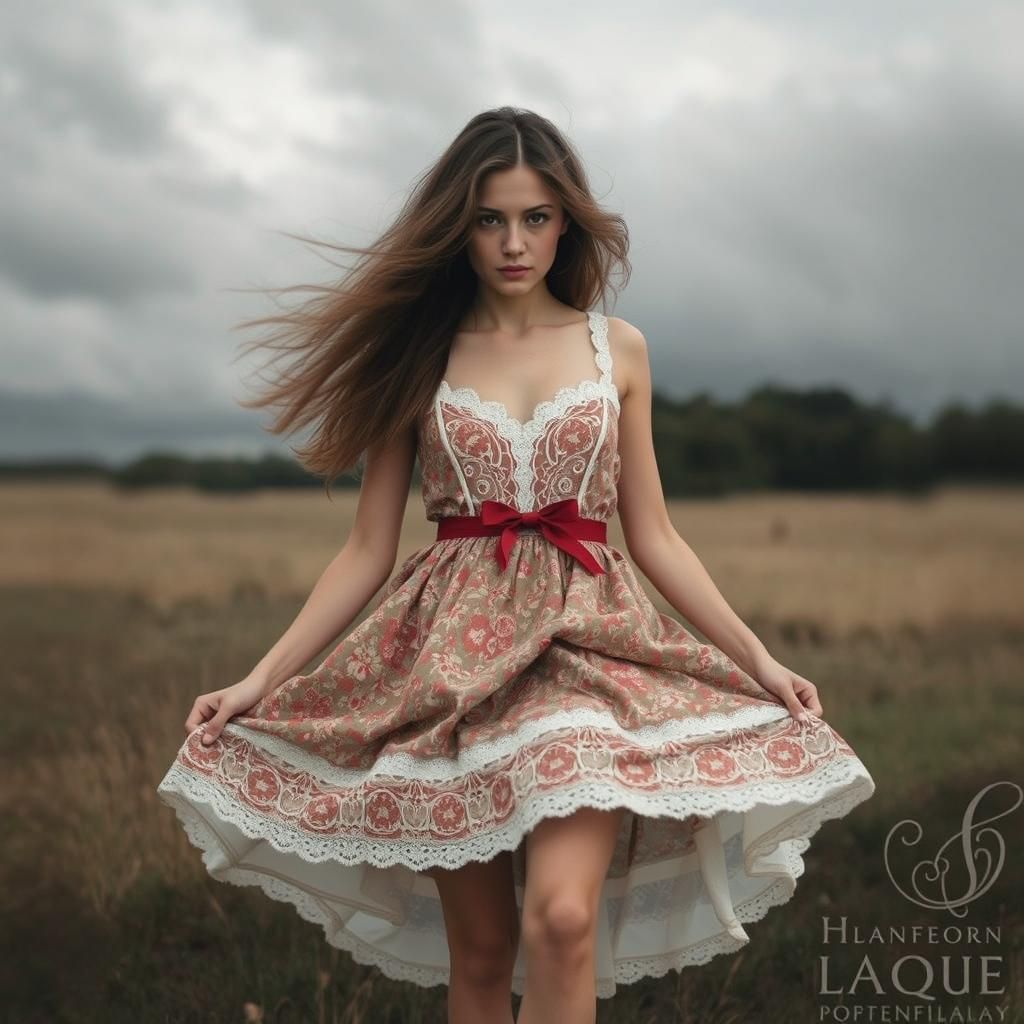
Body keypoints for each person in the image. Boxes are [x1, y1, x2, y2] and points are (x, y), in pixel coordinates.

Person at [157, 106, 875, 1024]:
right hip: (455, 666)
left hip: (591, 649)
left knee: (565, 920)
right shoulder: (417, 354)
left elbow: (652, 533)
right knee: (486, 953)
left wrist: (759, 660)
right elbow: (368, 548)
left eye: (535, 218)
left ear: (565, 221)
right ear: (459, 226)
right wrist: (259, 680)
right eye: (490, 219)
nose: (513, 242)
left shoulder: (618, 347)